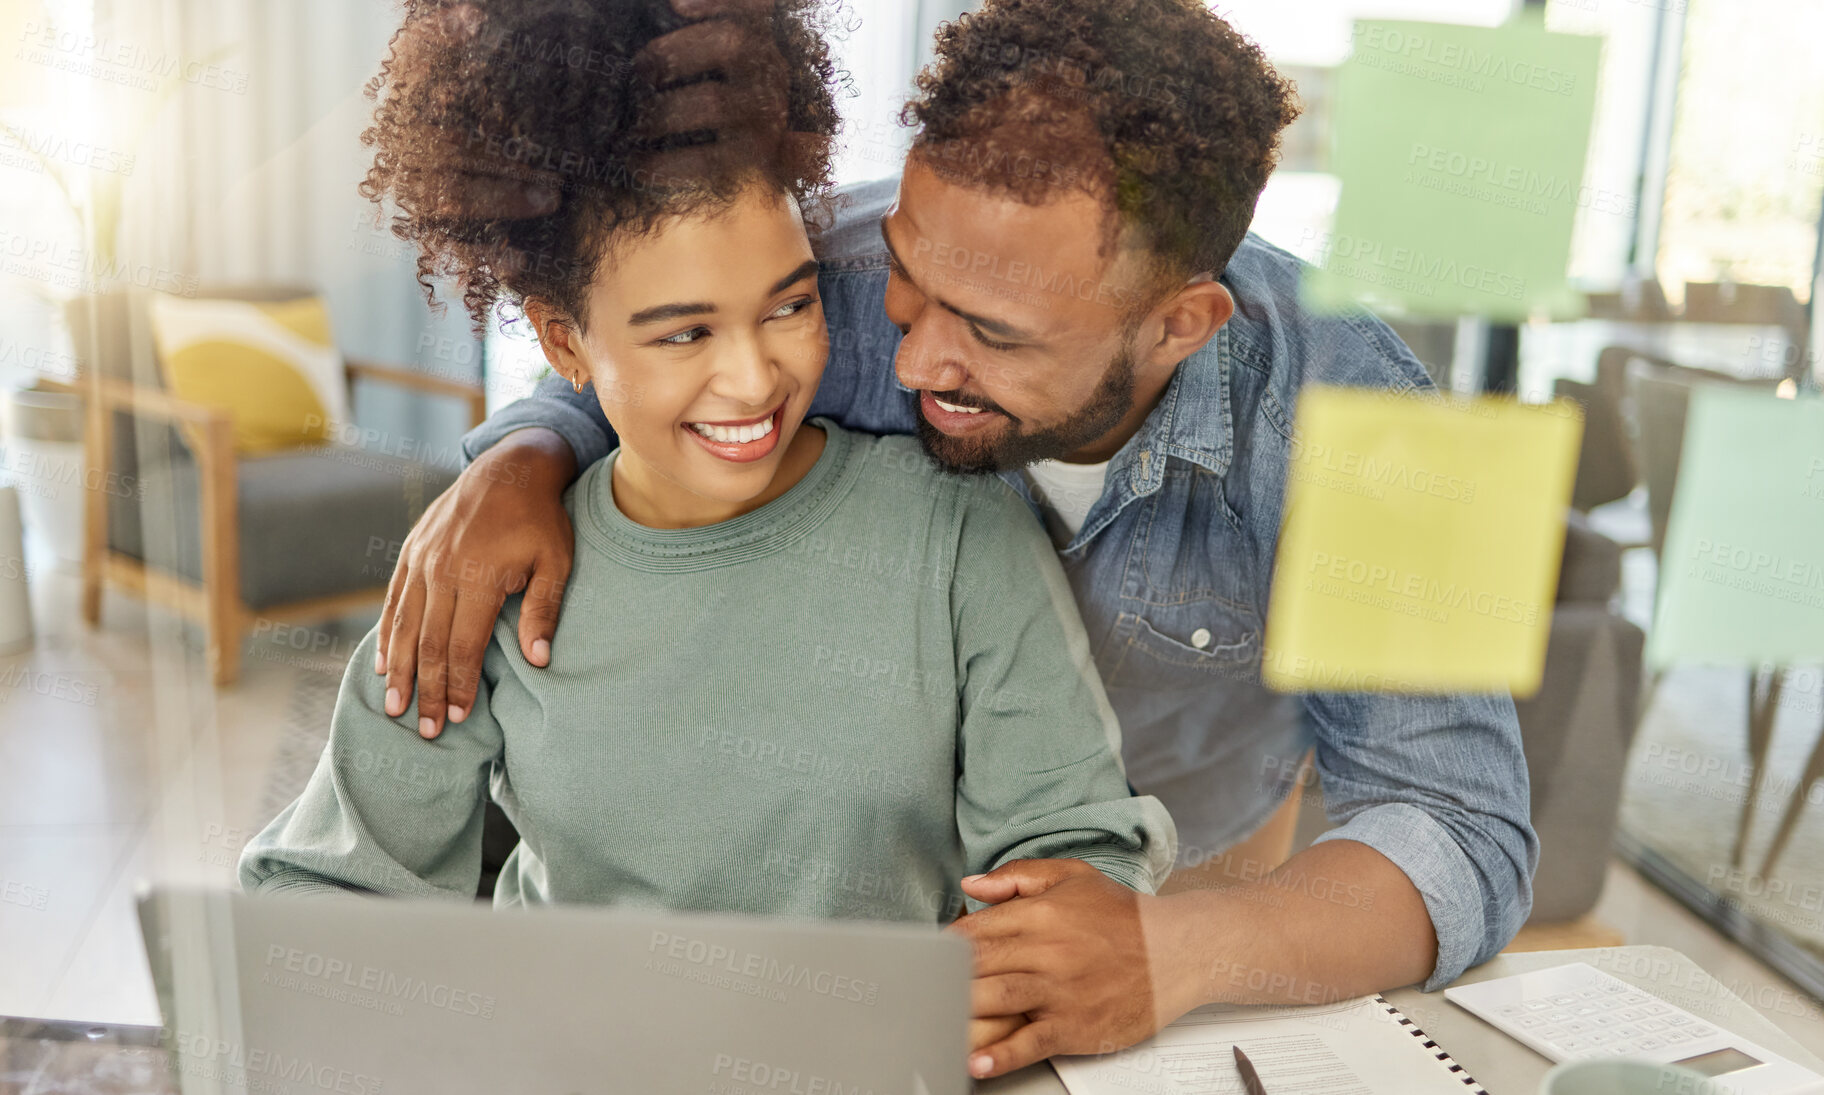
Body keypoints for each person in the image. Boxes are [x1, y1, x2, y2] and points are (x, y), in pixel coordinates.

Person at [377, 0, 1538, 1079]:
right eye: (911, 279)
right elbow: (632, 355)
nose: (920, 360)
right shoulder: (828, 275)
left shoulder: (1392, 427)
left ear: (1182, 324)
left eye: (993, 334)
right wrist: (521, 457)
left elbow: (1464, 831)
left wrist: (1172, 949)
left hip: (1186, 905)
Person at [240, 0, 1173, 981]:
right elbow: (325, 893)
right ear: (564, 340)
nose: (754, 379)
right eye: (684, 333)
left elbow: (1074, 846)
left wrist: (1043, 941)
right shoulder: (489, 575)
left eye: (791, 305)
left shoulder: (953, 531)